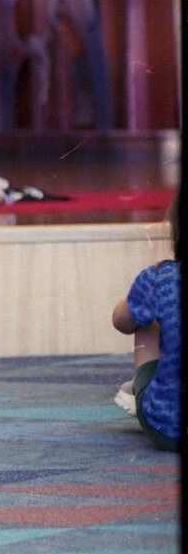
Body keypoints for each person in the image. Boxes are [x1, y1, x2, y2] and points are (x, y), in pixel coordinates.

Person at [112, 190, 180, 451]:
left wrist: (136, 298)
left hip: (169, 428)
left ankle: (142, 388)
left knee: (146, 321)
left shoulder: (160, 278)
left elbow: (121, 322)